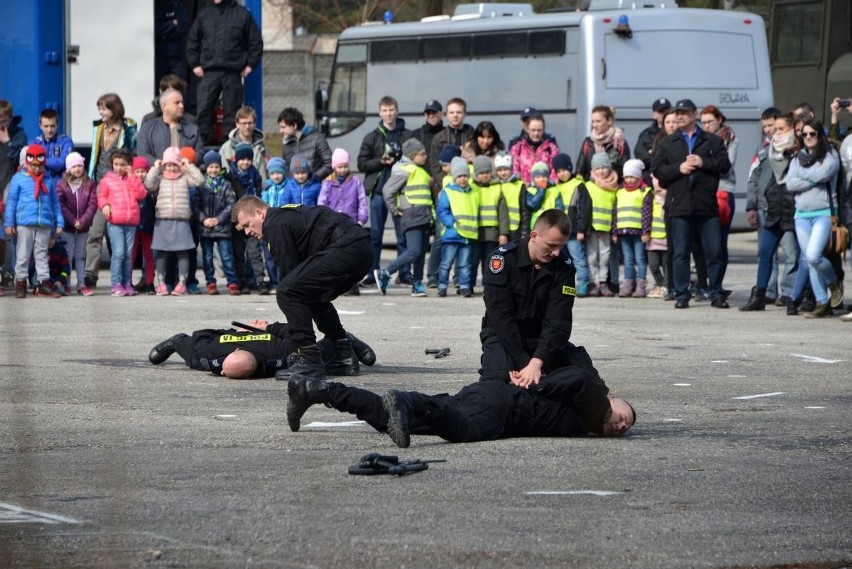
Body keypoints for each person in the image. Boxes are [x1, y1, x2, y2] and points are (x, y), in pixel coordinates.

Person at [286, 357, 634, 447]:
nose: (620, 425)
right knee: (465, 430)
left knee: (384, 419)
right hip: (503, 407)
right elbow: (582, 378)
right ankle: (408, 401)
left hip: (487, 396)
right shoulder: (593, 404)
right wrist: (537, 387)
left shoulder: (584, 421)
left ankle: (316, 390)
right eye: (622, 416)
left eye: (625, 428)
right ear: (611, 401)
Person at [231, 195, 373, 377]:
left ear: (260, 213)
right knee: (308, 293)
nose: (247, 232)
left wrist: (293, 338)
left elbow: (289, 278)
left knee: (287, 291)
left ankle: (310, 359)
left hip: (347, 246)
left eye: (247, 225)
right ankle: (343, 354)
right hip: (360, 247)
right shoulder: (283, 217)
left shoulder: (273, 224)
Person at [480, 208, 579, 387]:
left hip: (541, 338)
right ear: (534, 235)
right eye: (551, 245)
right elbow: (500, 316)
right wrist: (524, 362)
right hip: (504, 337)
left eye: (561, 246)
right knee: (496, 380)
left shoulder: (564, 267)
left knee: (583, 375)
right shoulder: (502, 260)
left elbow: (558, 320)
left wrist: (537, 362)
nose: (556, 252)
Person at [651, 98, 731, 309]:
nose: (679, 116)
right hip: (679, 204)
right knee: (680, 253)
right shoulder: (668, 142)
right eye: (677, 112)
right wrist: (679, 168)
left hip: (706, 205)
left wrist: (703, 163)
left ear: (694, 114)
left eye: (684, 112)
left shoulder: (711, 141)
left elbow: (725, 165)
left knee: (713, 251)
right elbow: (657, 170)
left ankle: (715, 292)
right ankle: (681, 294)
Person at [149, 319, 376, 379]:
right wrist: (264, 328)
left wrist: (263, 328)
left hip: (253, 333)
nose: (222, 373)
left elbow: (197, 336)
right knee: (315, 350)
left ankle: (344, 338)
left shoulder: (207, 356)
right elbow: (297, 333)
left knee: (184, 345)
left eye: (224, 372)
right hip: (262, 335)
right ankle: (345, 339)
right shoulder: (277, 353)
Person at [741, 112, 800, 311]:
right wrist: (754, 202)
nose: (775, 133)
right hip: (774, 206)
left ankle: (795, 296)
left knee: (797, 254)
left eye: (780, 128)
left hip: (794, 207)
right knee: (765, 252)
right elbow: (755, 176)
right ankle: (760, 294)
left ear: (792, 129)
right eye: (774, 129)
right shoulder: (768, 150)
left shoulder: (800, 150)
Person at [785, 119, 844, 318]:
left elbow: (824, 174)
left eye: (813, 134)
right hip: (801, 214)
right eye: (805, 134)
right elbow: (790, 184)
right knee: (810, 262)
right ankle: (822, 303)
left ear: (820, 135)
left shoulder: (830, 154)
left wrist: (804, 178)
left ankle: (833, 282)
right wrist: (811, 179)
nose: (808, 137)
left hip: (823, 213)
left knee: (813, 255)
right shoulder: (796, 158)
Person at [186, 0, 263, 144]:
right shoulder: (204, 14)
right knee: (203, 110)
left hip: (233, 72)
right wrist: (195, 64)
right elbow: (192, 40)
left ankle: (228, 145)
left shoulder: (242, 14)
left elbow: (256, 42)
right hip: (208, 72)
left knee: (232, 112)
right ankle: (202, 144)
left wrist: (250, 66)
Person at [357, 95, 413, 285]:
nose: (389, 114)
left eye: (391, 110)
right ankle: (373, 273)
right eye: (385, 110)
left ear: (397, 111)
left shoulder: (407, 135)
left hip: (401, 193)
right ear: (380, 112)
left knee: (403, 235)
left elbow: (416, 160)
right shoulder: (371, 137)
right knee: (375, 236)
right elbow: (362, 163)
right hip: (379, 193)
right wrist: (380, 162)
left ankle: (404, 273)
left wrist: (399, 160)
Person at [85, 93, 137, 290]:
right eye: (99, 108)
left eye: (104, 108)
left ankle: (123, 279)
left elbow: (133, 152)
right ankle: (90, 275)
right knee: (95, 232)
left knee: (116, 239)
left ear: (114, 109)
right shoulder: (98, 129)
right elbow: (94, 157)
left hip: (120, 188)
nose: (101, 112)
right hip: (100, 187)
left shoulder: (128, 128)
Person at [375, 138, 434, 296]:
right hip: (412, 216)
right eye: (422, 154)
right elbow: (388, 190)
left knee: (421, 254)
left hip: (424, 217)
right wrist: (395, 210)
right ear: (413, 155)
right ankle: (385, 272)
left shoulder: (419, 170)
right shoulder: (404, 170)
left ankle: (417, 284)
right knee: (413, 251)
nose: (425, 156)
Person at [4, 144, 64, 298]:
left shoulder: (49, 180)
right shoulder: (19, 179)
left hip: (44, 223)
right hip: (24, 222)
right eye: (33, 165)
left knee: (42, 254)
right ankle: (21, 283)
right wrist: (9, 223)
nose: (36, 169)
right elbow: (11, 202)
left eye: (40, 166)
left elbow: (55, 204)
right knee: (22, 254)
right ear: (27, 163)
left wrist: (59, 222)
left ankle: (44, 283)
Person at [145, 146, 205, 296]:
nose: (171, 168)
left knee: (183, 253)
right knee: (162, 254)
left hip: (181, 220)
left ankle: (182, 283)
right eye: (168, 165)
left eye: (174, 165)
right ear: (164, 165)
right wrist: (155, 168)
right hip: (163, 220)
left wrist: (189, 166)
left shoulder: (184, 178)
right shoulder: (160, 178)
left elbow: (199, 181)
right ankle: (161, 284)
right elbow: (148, 185)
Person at [98, 148, 147, 297]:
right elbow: (101, 196)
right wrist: (105, 206)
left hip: (130, 221)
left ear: (129, 165)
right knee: (118, 253)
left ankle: (127, 283)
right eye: (116, 164)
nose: (118, 168)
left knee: (128, 255)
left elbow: (141, 194)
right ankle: (116, 284)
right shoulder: (107, 180)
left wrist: (132, 177)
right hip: (115, 221)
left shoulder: (132, 180)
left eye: (122, 164)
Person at [318, 148, 368, 295]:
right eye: (339, 167)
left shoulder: (355, 182)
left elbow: (362, 201)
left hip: (351, 225)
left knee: (351, 256)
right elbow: (322, 204)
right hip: (333, 227)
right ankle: (334, 284)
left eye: (345, 166)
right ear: (334, 167)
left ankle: (352, 285)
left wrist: (361, 219)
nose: (342, 170)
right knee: (334, 256)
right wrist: (324, 222)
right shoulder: (327, 184)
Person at [699, 105, 738, 287]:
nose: (706, 126)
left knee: (719, 241)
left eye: (710, 122)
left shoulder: (729, 137)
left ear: (719, 120)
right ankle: (702, 282)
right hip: (704, 191)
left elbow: (726, 166)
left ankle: (717, 283)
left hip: (723, 190)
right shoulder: (699, 139)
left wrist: (703, 164)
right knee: (701, 241)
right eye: (703, 122)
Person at [195, 150, 239, 295]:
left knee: (226, 255)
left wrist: (218, 219)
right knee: (207, 257)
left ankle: (232, 282)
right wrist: (204, 219)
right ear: (206, 168)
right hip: (206, 228)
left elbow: (230, 205)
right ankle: (210, 282)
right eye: (210, 167)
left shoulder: (226, 185)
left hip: (223, 227)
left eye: (216, 167)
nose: (213, 170)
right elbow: (196, 205)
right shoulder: (201, 185)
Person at [436, 157, 479, 298]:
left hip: (467, 235)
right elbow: (442, 210)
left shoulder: (473, 192)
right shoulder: (448, 192)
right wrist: (451, 224)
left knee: (465, 264)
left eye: (465, 176)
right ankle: (442, 285)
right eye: (459, 176)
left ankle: (465, 286)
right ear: (454, 177)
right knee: (446, 263)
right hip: (452, 234)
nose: (463, 179)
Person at [56, 152, 97, 296]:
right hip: (68, 227)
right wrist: (73, 221)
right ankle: (66, 284)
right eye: (74, 166)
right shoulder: (62, 185)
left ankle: (81, 284)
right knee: (68, 255)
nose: (78, 169)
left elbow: (92, 205)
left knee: (80, 255)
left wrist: (83, 221)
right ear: (68, 168)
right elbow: (61, 206)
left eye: (80, 165)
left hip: (83, 227)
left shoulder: (89, 183)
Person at [230, 142, 268, 294]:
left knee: (254, 253)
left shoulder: (256, 177)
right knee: (239, 253)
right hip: (237, 223)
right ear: (236, 159)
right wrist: (237, 222)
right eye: (242, 159)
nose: (245, 162)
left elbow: (258, 199)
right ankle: (243, 282)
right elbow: (230, 201)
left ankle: (259, 281)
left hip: (252, 221)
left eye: (248, 159)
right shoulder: (231, 176)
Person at [551, 153, 591, 297]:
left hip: (573, 232)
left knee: (578, 258)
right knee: (561, 260)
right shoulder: (556, 188)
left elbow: (584, 209)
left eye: (564, 170)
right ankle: (564, 285)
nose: (562, 174)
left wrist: (581, 229)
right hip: (560, 232)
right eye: (558, 171)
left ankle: (583, 283)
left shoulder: (578, 185)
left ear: (570, 168)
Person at [469, 155, 509, 293]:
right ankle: (468, 286)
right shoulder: (471, 187)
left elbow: (503, 213)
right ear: (476, 174)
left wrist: (503, 233)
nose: (485, 176)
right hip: (474, 232)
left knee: (489, 262)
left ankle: (489, 287)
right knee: (472, 261)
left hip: (492, 233)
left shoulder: (497, 188)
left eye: (487, 172)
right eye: (481, 173)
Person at [136, 89, 204, 167]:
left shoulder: (193, 129)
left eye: (182, 102)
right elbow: (142, 153)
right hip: (157, 176)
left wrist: (190, 160)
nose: (181, 106)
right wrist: (156, 163)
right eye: (177, 103)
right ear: (164, 106)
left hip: (185, 175)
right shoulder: (147, 128)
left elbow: (200, 152)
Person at [613, 159, 652, 298]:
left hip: (638, 232)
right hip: (623, 231)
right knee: (628, 259)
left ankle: (641, 285)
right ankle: (628, 284)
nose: (629, 180)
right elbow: (615, 213)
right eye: (627, 177)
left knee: (640, 259)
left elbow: (647, 213)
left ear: (639, 177)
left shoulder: (644, 191)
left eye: (632, 177)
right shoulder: (620, 192)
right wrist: (614, 231)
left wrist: (646, 231)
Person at [584, 153, 619, 297]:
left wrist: (615, 230)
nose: (600, 171)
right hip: (591, 228)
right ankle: (593, 282)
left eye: (604, 167)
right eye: (597, 168)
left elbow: (615, 210)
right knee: (591, 256)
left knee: (605, 256)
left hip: (606, 228)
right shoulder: (588, 186)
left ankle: (603, 283)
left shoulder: (614, 188)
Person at [576, 105, 632, 181]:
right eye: (593, 121)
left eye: (598, 121)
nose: (594, 125)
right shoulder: (588, 142)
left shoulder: (619, 142)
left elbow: (624, 171)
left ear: (609, 121)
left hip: (612, 188)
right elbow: (580, 171)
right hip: (590, 188)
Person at [277, 107, 332, 181]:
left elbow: (330, 163)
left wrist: (313, 178)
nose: (280, 131)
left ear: (294, 125)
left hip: (312, 190)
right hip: (293, 191)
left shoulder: (317, 138)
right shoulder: (286, 143)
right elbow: (285, 169)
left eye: (283, 127)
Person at [428, 97, 475, 180]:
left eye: (459, 112)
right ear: (446, 114)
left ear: (465, 114)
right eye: (451, 112)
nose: (455, 115)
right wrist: (447, 184)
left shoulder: (472, 137)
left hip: (468, 184)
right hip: (445, 187)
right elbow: (435, 167)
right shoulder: (438, 138)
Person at [509, 113, 560, 185]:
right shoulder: (517, 148)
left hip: (545, 191)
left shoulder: (551, 149)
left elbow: (554, 174)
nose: (536, 133)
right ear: (527, 129)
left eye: (539, 130)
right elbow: (514, 173)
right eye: (533, 130)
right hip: (524, 192)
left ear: (543, 130)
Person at [131, 157, 157, 295]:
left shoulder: (151, 188)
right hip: (133, 225)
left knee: (149, 256)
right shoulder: (130, 186)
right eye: (137, 171)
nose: (140, 174)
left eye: (143, 171)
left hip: (148, 225)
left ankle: (149, 283)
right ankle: (127, 281)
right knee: (131, 255)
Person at [220, 106, 269, 180]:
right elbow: (223, 173)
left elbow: (269, 170)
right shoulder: (226, 148)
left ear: (255, 124)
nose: (247, 126)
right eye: (244, 123)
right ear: (237, 124)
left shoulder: (261, 147)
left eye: (250, 123)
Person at [30, 108, 74, 188]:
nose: (49, 130)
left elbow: (63, 163)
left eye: (52, 126)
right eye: (46, 126)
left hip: (61, 186)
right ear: (40, 126)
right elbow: (31, 163)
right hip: (40, 185)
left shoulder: (66, 141)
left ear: (57, 125)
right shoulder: (35, 143)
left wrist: (41, 160)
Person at [493, 151, 530, 243]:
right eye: (499, 170)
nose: (503, 173)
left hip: (515, 230)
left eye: (506, 169)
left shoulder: (519, 185)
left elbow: (525, 211)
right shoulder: (494, 185)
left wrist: (524, 233)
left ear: (511, 168)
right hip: (498, 230)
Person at [643, 174, 669, 299]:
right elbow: (646, 216)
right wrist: (645, 232)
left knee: (666, 265)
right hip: (652, 240)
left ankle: (666, 286)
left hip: (666, 239)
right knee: (653, 265)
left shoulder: (669, 197)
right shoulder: (650, 197)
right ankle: (660, 283)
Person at [154, 0, 189, 85]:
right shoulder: (154, 5)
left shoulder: (176, 3)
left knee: (180, 85)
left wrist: (164, 33)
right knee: (158, 87)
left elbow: (183, 26)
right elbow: (154, 29)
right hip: (158, 56)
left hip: (175, 57)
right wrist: (172, 24)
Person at [634, 98, 672, 176]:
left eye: (667, 111)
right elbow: (640, 158)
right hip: (650, 177)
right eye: (661, 112)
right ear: (654, 115)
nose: (664, 114)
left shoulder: (679, 132)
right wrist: (651, 153)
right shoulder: (645, 135)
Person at [412, 100, 443, 165]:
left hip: (443, 173)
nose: (431, 116)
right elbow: (411, 159)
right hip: (422, 174)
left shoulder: (448, 134)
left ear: (441, 114)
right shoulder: (416, 135)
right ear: (425, 115)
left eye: (434, 112)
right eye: (428, 113)